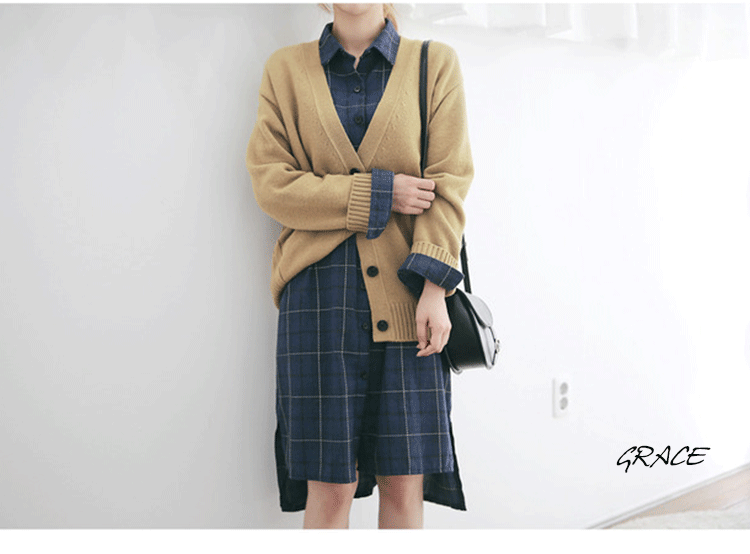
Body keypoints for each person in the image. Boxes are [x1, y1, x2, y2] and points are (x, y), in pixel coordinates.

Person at [246, 3, 473, 529]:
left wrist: (435, 288)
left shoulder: (433, 64)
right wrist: (377, 193)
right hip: (316, 304)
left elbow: (449, 181)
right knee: (330, 489)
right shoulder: (285, 69)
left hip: (410, 293)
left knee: (403, 483)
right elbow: (272, 184)